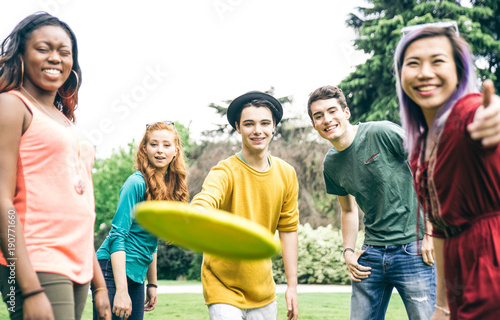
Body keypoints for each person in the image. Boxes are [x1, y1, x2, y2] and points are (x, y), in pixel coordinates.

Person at [0, 12, 110, 320]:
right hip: (35, 259)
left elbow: (79, 209)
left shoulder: (64, 122)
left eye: (64, 52)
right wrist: (29, 288)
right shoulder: (11, 105)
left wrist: (99, 286)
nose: (55, 58)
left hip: (75, 265)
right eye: (43, 48)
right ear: (20, 55)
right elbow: (1, 199)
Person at [395, 23, 500, 319]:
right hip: (459, 275)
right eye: (413, 63)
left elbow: (484, 111)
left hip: (492, 264)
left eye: (438, 61)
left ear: (459, 72)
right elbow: (440, 229)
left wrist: (495, 114)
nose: (424, 72)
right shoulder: (419, 148)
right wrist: (442, 305)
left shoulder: (468, 112)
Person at [307, 85, 436, 319]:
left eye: (332, 111)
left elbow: (430, 170)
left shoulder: (381, 132)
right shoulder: (331, 164)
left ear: (346, 112)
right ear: (314, 125)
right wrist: (348, 251)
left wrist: (430, 233)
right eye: (318, 116)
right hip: (371, 256)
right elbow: (348, 210)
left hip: (414, 249)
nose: (327, 119)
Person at [191, 91, 299, 320]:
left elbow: (288, 230)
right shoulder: (225, 171)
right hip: (223, 286)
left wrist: (292, 286)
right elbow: (207, 198)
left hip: (263, 290)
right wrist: (196, 214)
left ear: (274, 127)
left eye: (264, 123)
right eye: (249, 124)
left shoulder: (287, 174)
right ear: (238, 128)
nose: (257, 130)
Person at [94, 121, 189, 320]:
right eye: (154, 144)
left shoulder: (168, 187)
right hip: (113, 269)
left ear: (176, 150)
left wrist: (152, 284)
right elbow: (117, 236)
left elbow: (151, 240)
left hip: (136, 273)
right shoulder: (136, 183)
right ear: (144, 149)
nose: (160, 151)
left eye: (166, 145)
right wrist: (121, 290)